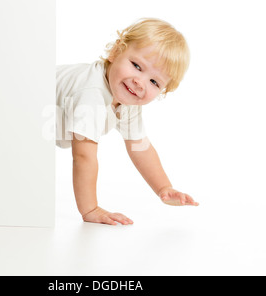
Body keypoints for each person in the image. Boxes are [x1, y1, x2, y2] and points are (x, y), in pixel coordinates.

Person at [56, 18, 199, 225]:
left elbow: (139, 145)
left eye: (154, 82)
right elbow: (83, 155)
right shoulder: (92, 93)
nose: (139, 83)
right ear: (115, 52)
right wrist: (90, 209)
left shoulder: (126, 99)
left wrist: (164, 188)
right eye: (136, 66)